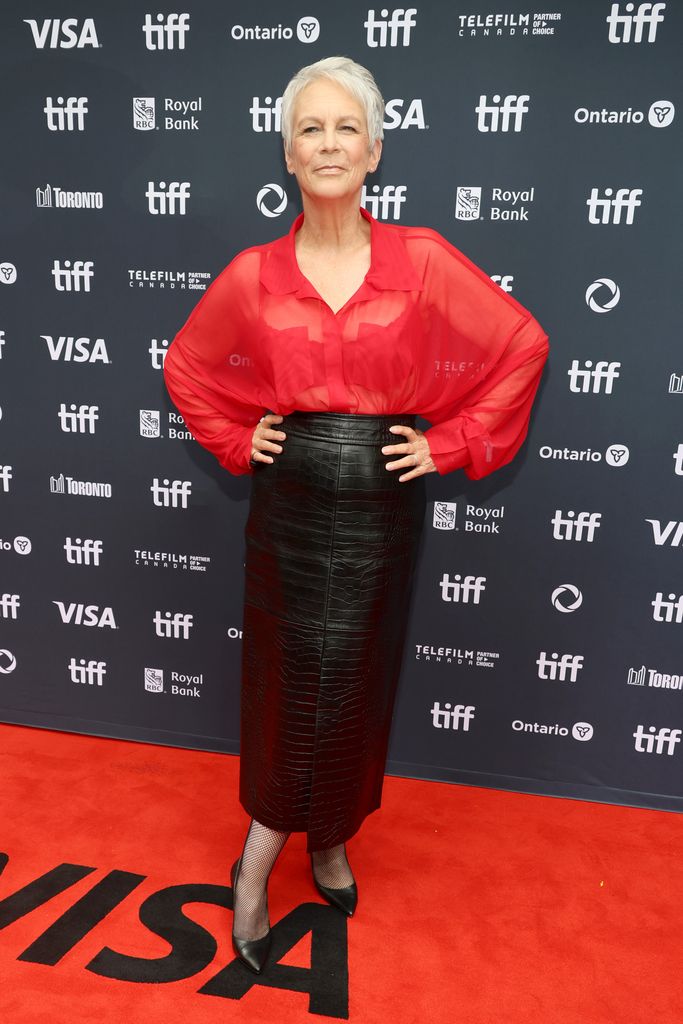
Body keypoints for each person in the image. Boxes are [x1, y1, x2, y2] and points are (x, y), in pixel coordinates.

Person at [163, 55, 549, 974]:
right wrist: (235, 435)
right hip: (289, 500)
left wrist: (448, 445)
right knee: (288, 680)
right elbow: (186, 367)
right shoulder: (254, 274)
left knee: (357, 683)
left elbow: (521, 343)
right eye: (310, 130)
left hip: (380, 500)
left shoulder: (420, 259)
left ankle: (330, 838)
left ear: (373, 150)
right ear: (287, 156)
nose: (328, 144)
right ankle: (259, 857)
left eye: (345, 129)